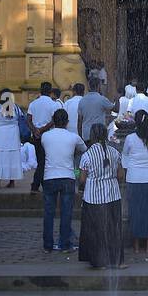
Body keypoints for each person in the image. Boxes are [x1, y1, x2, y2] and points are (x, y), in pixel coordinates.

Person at [78, 125, 125, 268]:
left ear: (92, 136)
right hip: (112, 194)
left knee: (95, 229)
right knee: (113, 228)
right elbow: (120, 175)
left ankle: (99, 261)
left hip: (93, 197)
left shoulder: (87, 155)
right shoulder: (114, 152)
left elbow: (82, 179)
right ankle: (117, 260)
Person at [40, 108, 85, 252]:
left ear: (53, 121)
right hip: (67, 176)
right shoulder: (73, 137)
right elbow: (84, 149)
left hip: (49, 177)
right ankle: (65, 244)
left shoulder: (45, 136)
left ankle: (48, 245)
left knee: (48, 213)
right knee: (66, 213)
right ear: (67, 122)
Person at [122, 110, 148, 258]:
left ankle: (136, 246)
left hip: (134, 178)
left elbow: (125, 156)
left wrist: (126, 173)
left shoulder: (130, 138)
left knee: (136, 212)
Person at [27, 82, 61, 193]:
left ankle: (41, 183)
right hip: (48, 136)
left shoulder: (33, 103)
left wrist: (35, 130)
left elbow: (28, 120)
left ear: (40, 90)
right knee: (45, 161)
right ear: (50, 91)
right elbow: (54, 120)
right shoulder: (53, 104)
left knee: (41, 160)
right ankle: (36, 184)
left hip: (36, 136)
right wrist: (42, 130)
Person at [78, 77, 113, 142]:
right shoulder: (102, 99)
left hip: (86, 134)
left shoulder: (82, 100)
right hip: (99, 134)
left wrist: (80, 137)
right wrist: (117, 96)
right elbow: (116, 109)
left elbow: (79, 121)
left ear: (89, 87)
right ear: (98, 86)